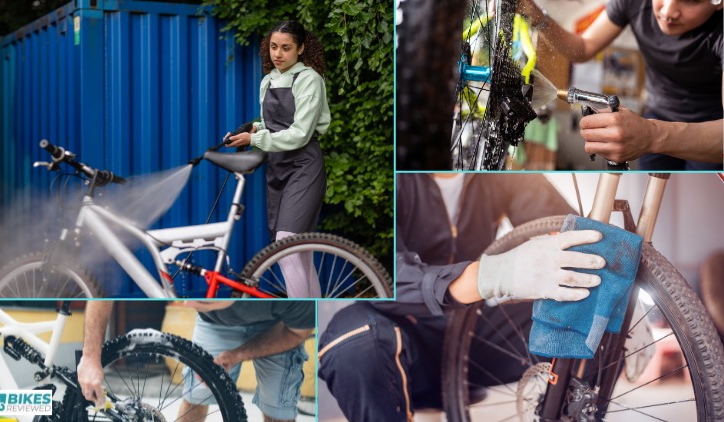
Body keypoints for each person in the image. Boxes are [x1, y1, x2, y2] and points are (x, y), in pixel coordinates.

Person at [318, 173, 606, 421]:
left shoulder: (496, 165)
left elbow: (564, 226)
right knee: (352, 343)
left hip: (474, 333)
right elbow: (381, 271)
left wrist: (608, 286)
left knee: (595, 319)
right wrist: (484, 277)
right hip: (401, 328)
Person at [519, 0, 723, 170]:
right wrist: (536, 15)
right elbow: (583, 47)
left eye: (691, 0)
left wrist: (651, 136)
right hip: (656, 113)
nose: (668, 11)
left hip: (709, 132)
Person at [77, 300, 315, 422]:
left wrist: (237, 354)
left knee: (278, 409)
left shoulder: (293, 297)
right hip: (215, 322)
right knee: (196, 395)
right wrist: (89, 357)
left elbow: (296, 332)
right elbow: (102, 292)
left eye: (198, 301)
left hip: (278, 325)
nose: (188, 305)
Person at [228, 20, 331, 297]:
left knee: (285, 249)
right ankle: (316, 317)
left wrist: (256, 139)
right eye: (274, 47)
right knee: (301, 253)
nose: (278, 54)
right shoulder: (268, 81)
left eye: (286, 48)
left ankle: (300, 314)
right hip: (277, 167)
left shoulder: (309, 79)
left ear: (301, 48)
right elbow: (271, 123)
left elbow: (299, 133)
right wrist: (253, 129)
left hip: (304, 166)